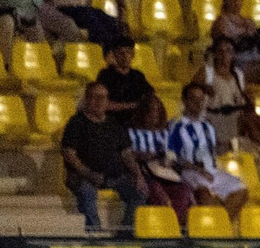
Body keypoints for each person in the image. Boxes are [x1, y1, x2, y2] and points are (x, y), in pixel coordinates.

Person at [61, 82, 147, 231]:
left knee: (140, 191)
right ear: (87, 99)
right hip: (84, 176)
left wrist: (137, 174)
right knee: (87, 192)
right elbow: (69, 154)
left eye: (104, 98)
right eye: (96, 97)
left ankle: (125, 234)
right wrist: (89, 173)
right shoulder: (76, 123)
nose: (100, 101)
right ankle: (95, 235)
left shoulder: (114, 124)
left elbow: (126, 153)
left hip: (113, 176)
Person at [168, 82, 250, 220]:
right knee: (204, 195)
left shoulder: (207, 125)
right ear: (185, 100)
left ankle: (220, 225)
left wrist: (228, 146)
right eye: (193, 99)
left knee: (241, 191)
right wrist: (197, 169)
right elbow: (172, 158)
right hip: (190, 171)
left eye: (201, 99)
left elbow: (213, 150)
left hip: (211, 171)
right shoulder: (175, 125)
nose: (198, 103)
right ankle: (215, 227)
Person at [127, 92, 193, 223]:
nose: (154, 114)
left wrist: (171, 159)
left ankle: (173, 227)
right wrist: (149, 155)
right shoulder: (131, 132)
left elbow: (174, 156)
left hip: (166, 173)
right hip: (146, 174)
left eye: (157, 110)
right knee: (158, 193)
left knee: (184, 191)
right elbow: (128, 154)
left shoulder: (165, 133)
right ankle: (168, 228)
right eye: (151, 110)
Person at [96, 41, 152, 125]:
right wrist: (132, 105)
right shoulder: (106, 75)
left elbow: (150, 97)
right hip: (112, 123)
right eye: (121, 53)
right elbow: (102, 104)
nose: (125, 56)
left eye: (128, 52)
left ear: (133, 55)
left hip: (135, 123)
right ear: (115, 55)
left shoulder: (137, 76)